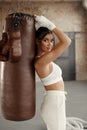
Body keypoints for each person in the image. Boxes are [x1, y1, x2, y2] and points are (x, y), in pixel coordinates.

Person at [34, 15, 71, 130]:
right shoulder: (41, 61)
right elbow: (67, 41)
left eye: (52, 40)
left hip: (55, 101)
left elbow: (62, 43)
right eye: (45, 40)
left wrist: (41, 26)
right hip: (54, 103)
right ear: (37, 41)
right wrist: (47, 23)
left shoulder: (45, 56)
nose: (50, 44)